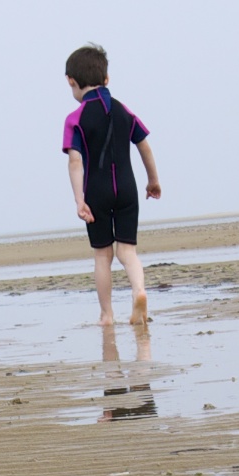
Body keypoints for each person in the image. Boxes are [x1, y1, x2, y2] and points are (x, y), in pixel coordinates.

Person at [61, 44, 162, 326]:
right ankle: (139, 291)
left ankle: (107, 316)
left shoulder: (76, 118)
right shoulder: (123, 111)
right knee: (127, 251)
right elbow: (144, 147)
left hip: (97, 192)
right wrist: (153, 181)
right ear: (106, 79)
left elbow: (75, 162)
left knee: (103, 255)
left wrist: (80, 200)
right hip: (128, 189)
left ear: (72, 81)